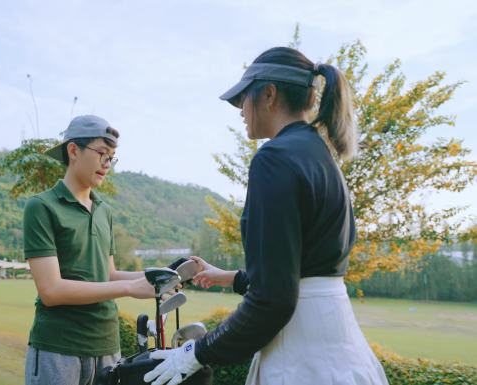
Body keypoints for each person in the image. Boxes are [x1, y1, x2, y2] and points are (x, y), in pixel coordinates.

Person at [144, 47, 389, 385]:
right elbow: (300, 274)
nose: (240, 110)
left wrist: (195, 353)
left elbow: (273, 300)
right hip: (337, 343)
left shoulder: (274, 158)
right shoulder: (322, 155)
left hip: (301, 353)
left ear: (269, 95)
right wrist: (228, 277)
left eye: (243, 99)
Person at [24, 115, 155, 385]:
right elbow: (51, 291)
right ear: (73, 150)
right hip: (58, 348)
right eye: (102, 154)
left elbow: (108, 274)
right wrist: (131, 289)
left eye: (112, 157)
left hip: (107, 346)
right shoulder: (42, 207)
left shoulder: (103, 210)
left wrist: (157, 277)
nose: (107, 165)